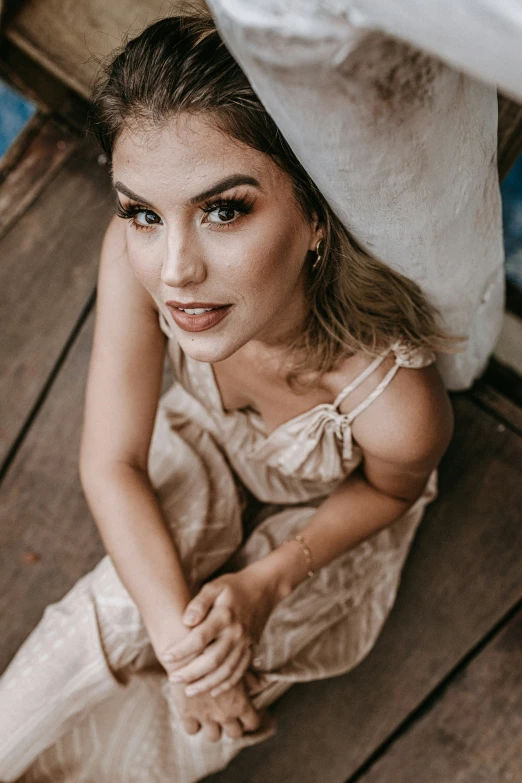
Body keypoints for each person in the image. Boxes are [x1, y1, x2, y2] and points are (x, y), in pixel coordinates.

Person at [0, 13, 457, 783]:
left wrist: (265, 581)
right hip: (201, 445)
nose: (175, 269)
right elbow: (111, 461)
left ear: (318, 215)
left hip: (320, 520)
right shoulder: (135, 264)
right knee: (134, 606)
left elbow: (389, 490)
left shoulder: (392, 398)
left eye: (223, 209)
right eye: (143, 212)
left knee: (237, 669)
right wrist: (184, 652)